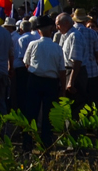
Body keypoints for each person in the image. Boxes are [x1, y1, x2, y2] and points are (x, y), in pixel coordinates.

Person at [22, 15, 66, 148]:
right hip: (51, 82)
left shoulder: (33, 44)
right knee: (48, 116)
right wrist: (62, 89)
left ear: (39, 30)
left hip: (35, 80)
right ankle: (46, 145)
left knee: (31, 113)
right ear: (51, 29)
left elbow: (26, 63)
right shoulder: (57, 48)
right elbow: (62, 71)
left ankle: (27, 144)